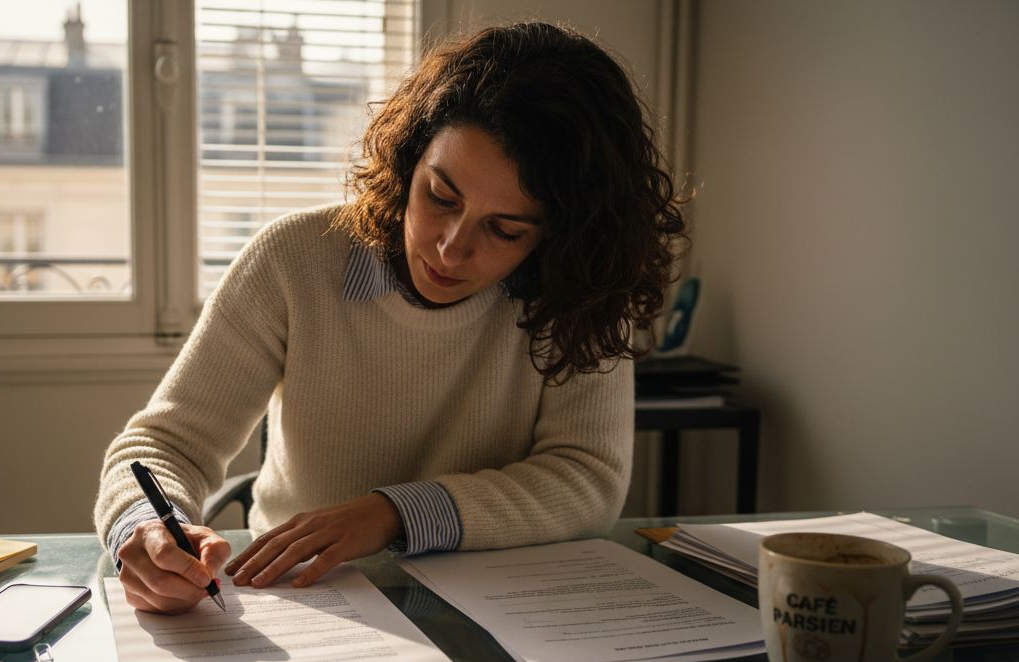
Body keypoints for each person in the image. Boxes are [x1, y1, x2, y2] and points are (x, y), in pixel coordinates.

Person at [94, 21, 687, 614]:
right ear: (409, 162)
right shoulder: (295, 260)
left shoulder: (581, 292)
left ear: (564, 235)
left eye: (505, 229)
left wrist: (396, 513)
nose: (451, 248)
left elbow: (588, 478)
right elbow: (165, 444)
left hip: (505, 607)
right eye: (441, 196)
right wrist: (145, 528)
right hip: (307, 602)